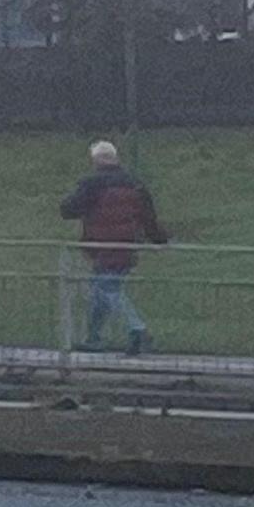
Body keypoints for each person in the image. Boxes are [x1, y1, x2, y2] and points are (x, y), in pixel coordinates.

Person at [59, 140, 169, 355]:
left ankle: (137, 329)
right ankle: (94, 338)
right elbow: (148, 218)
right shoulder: (135, 184)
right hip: (126, 245)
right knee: (102, 290)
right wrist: (160, 240)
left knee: (106, 289)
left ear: (96, 161)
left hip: (102, 244)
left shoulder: (92, 184)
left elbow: (68, 209)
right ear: (116, 158)